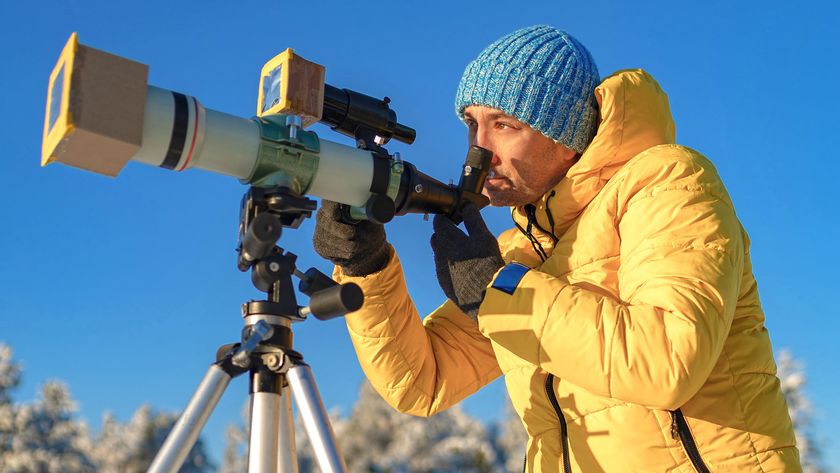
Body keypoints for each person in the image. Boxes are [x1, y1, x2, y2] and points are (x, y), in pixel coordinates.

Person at [314, 25, 800, 472]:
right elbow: (424, 381)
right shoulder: (519, 256)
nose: (478, 149)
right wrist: (367, 267)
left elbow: (667, 362)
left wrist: (499, 290)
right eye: (471, 123)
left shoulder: (667, 182)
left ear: (564, 134)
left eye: (503, 124)